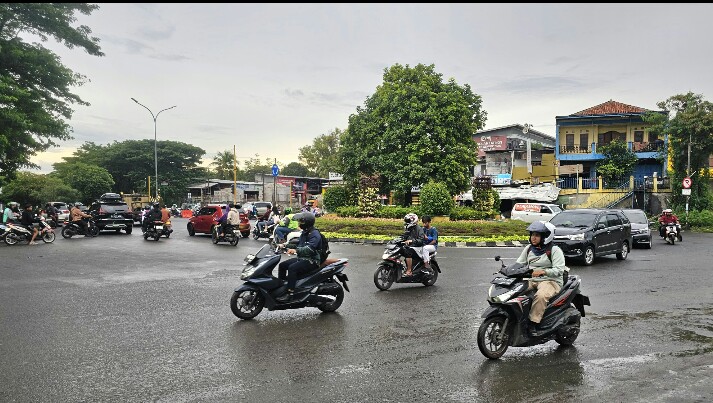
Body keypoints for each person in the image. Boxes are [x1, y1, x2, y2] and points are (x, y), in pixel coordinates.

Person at [515, 220, 566, 337]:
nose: (533, 238)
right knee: (514, 291)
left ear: (545, 236)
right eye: (532, 234)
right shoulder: (529, 249)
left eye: (537, 235)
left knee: (541, 296)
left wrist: (543, 271)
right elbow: (519, 264)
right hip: (531, 279)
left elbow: (559, 270)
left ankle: (533, 323)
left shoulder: (554, 250)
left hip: (550, 281)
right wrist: (508, 270)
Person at [276, 212, 322, 302]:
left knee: (292, 268)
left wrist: (296, 251)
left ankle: (290, 294)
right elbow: (298, 244)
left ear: (307, 223)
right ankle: (282, 288)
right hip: (303, 258)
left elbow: (310, 249)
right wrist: (284, 245)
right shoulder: (305, 232)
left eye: (301, 222)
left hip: (312, 260)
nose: (299, 223)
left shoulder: (315, 234)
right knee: (282, 265)